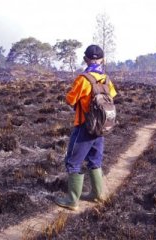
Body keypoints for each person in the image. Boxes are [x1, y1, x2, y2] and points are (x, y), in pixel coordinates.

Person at [55, 44, 117, 211]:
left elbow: (70, 100)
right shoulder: (106, 79)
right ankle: (98, 194)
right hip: (101, 128)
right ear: (103, 59)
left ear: (85, 59)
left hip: (84, 127)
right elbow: (111, 98)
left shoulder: (82, 79)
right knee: (95, 161)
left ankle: (72, 200)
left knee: (72, 162)